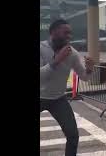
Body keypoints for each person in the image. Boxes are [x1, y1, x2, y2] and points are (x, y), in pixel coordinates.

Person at [40, 19, 94, 156]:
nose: (69, 36)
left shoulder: (73, 54)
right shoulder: (41, 48)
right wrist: (56, 60)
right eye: (65, 33)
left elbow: (84, 77)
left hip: (58, 99)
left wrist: (89, 69)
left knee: (73, 135)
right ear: (53, 32)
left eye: (70, 33)